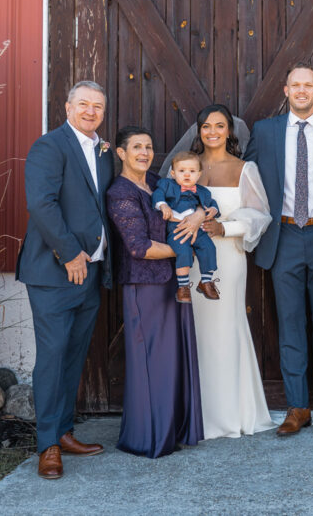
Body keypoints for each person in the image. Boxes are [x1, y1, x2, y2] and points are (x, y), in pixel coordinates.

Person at [243, 65, 313, 436]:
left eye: (309, 84)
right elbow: (250, 180)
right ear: (286, 89)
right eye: (296, 85)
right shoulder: (265, 131)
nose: (302, 91)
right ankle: (296, 406)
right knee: (289, 323)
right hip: (285, 235)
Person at [16, 80, 113, 479]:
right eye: (84, 104)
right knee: (52, 357)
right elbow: (41, 202)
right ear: (68, 107)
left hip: (91, 273)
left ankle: (65, 431)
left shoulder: (103, 152)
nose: (91, 111)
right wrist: (70, 252)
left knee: (74, 356)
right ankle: (47, 446)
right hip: (56, 271)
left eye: (98, 106)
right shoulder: (50, 146)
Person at [105, 126, 203, 457]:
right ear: (121, 153)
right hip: (144, 285)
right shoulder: (121, 193)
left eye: (148, 147)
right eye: (136, 147)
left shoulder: (158, 185)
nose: (144, 153)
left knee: (171, 360)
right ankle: (148, 437)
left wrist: (201, 215)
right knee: (151, 362)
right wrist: (183, 249)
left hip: (172, 283)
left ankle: (172, 429)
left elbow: (195, 195)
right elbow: (138, 247)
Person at [184, 103, 277, 439]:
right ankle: (196, 413)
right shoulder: (184, 168)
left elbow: (259, 215)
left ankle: (226, 415)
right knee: (194, 331)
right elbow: (164, 209)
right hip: (189, 260)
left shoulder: (243, 169)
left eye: (219, 126)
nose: (212, 132)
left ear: (229, 131)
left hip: (227, 256)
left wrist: (226, 228)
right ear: (199, 131)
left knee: (224, 330)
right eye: (206, 126)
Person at [153, 151, 220, 302]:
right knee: (183, 252)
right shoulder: (167, 185)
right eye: (182, 171)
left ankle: (206, 281)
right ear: (173, 173)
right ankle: (183, 287)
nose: (187, 175)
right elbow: (157, 195)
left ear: (199, 174)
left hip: (198, 229)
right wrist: (163, 205)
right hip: (176, 228)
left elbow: (212, 204)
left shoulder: (203, 191)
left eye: (192, 171)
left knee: (209, 247)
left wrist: (213, 210)